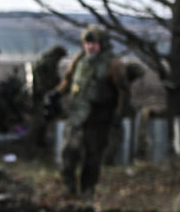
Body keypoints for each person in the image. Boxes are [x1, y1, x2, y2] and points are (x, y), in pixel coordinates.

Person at [54, 25, 128, 197]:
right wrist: (56, 94)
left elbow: (123, 92)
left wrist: (118, 114)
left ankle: (87, 191)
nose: (90, 47)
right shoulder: (79, 60)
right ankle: (69, 190)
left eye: (94, 43)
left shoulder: (112, 64)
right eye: (87, 43)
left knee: (92, 158)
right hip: (76, 116)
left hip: (98, 118)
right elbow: (68, 80)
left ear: (102, 44)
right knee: (68, 155)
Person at [28, 44, 67, 146]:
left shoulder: (46, 60)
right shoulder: (49, 62)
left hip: (43, 92)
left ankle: (38, 141)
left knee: (43, 117)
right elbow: (47, 78)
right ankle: (38, 142)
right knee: (42, 118)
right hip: (43, 93)